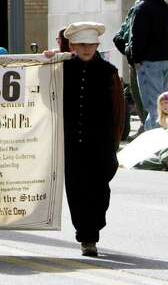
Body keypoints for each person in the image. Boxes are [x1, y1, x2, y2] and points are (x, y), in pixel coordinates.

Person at [48, 22, 126, 257]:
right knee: (77, 190)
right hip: (71, 142)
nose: (86, 49)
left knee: (100, 191)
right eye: (81, 44)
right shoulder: (61, 68)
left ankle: (93, 226)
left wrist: (115, 142)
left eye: (91, 45)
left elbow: (118, 110)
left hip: (100, 144)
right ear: (72, 45)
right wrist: (47, 57)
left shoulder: (109, 72)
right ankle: (87, 237)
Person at [124, 0, 168, 132]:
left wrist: (131, 55)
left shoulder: (140, 9)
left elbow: (137, 40)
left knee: (154, 108)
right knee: (164, 105)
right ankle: (165, 140)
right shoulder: (166, 7)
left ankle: (153, 150)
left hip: (148, 64)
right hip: (165, 60)